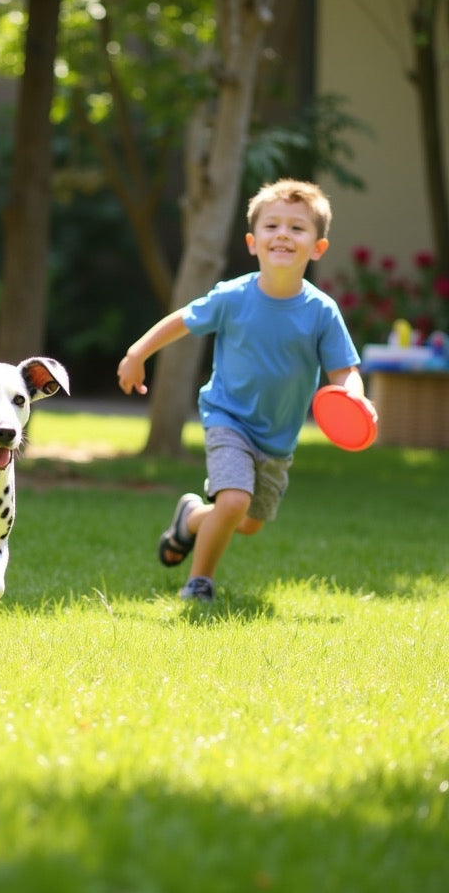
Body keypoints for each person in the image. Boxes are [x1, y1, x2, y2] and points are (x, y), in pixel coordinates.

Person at [116, 178, 376, 602]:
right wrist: (138, 352)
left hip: (277, 437)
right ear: (253, 243)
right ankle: (199, 581)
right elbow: (184, 318)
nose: (283, 235)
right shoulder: (234, 296)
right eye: (272, 226)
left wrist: (354, 397)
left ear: (317, 248)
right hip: (228, 417)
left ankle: (189, 520)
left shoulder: (321, 312)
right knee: (234, 501)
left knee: (248, 520)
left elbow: (343, 371)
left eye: (297, 228)